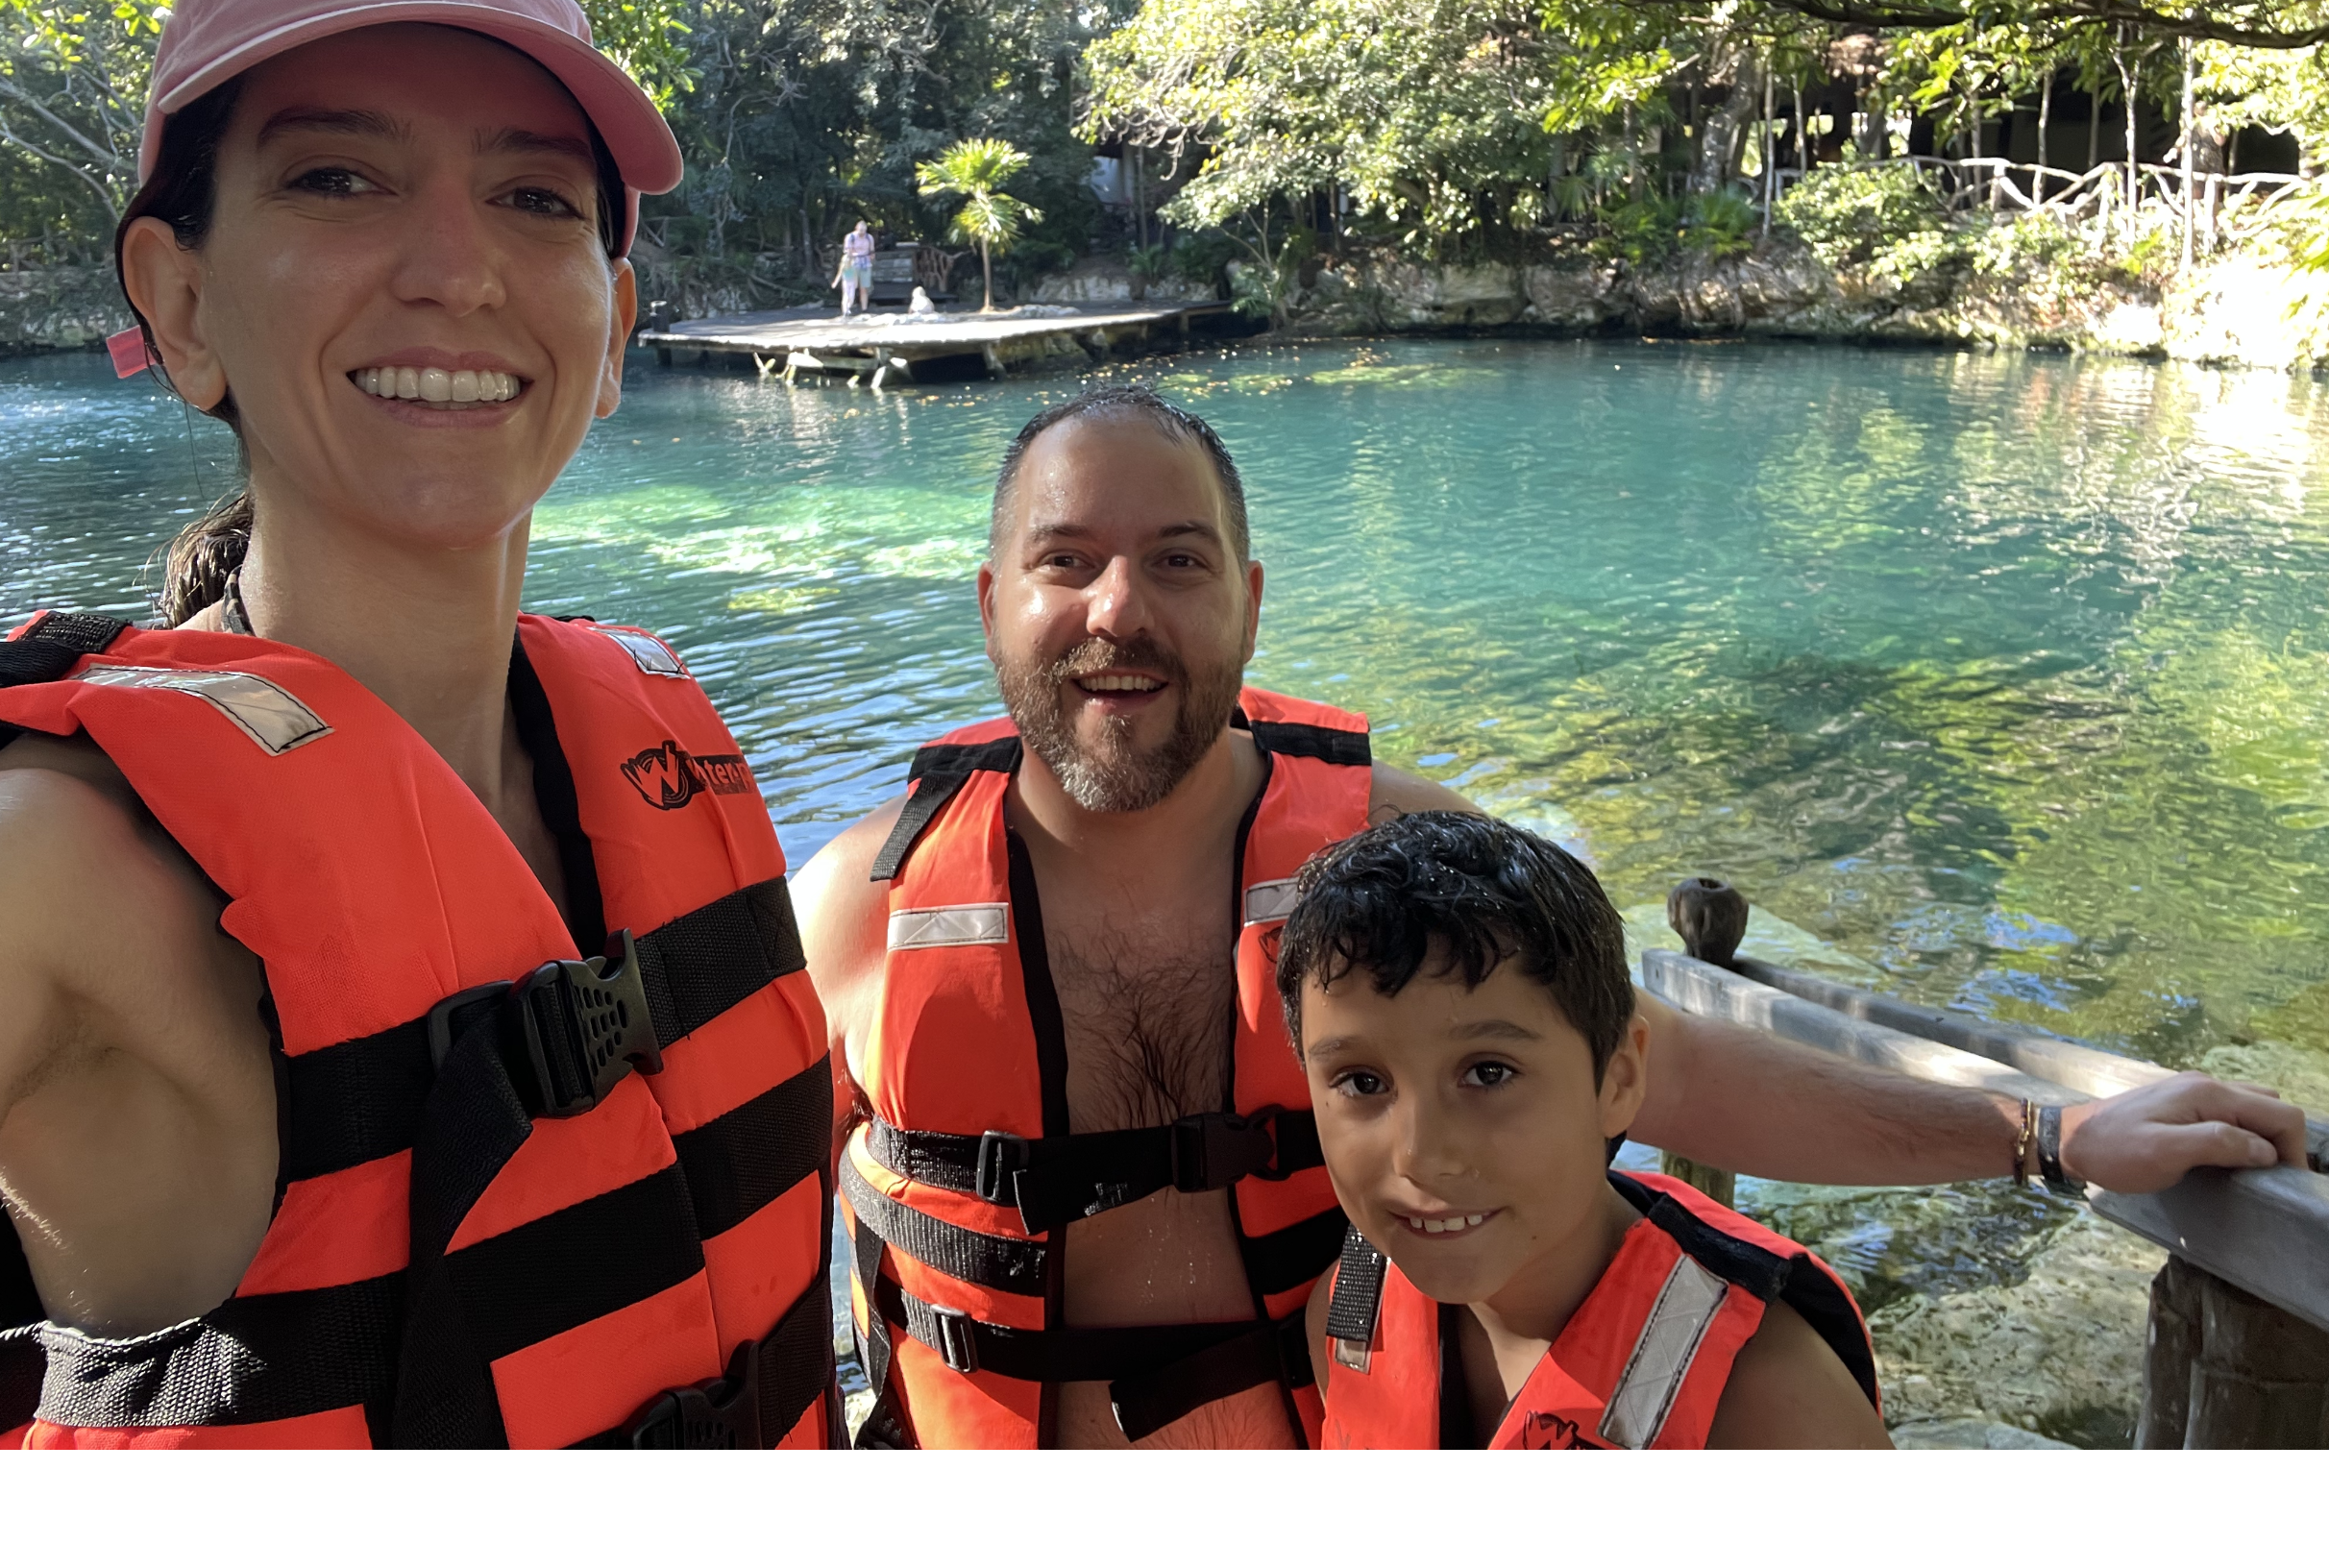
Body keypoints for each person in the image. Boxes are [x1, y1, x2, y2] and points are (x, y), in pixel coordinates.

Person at [794, 381, 2310, 1451]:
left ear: (1248, 602)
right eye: (1066, 562)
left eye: (1175, 562)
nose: (1118, 609)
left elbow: (1662, 1069)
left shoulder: (1402, 856)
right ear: (992, 599)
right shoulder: (856, 915)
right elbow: (733, 1263)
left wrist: (2038, 1138)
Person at [0, 0, 837, 1449]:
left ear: (610, 331)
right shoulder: (57, 858)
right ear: (181, 308)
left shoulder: (651, 737)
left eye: (533, 198)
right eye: (339, 178)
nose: (456, 270)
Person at [1283, 813, 1889, 1448]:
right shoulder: (1348, 1314)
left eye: (1488, 1073)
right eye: (1361, 1082)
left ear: (1621, 1079)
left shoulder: (1773, 1408)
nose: (1421, 1155)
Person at [835, 218, 876, 315]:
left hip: (865, 263)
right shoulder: (850, 237)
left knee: (864, 287)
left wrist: (872, 255)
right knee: (850, 287)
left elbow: (872, 250)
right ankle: (846, 308)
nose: (862, 233)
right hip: (852, 263)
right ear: (856, 228)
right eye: (860, 230)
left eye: (864, 230)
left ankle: (864, 309)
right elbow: (848, 251)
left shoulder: (869, 238)